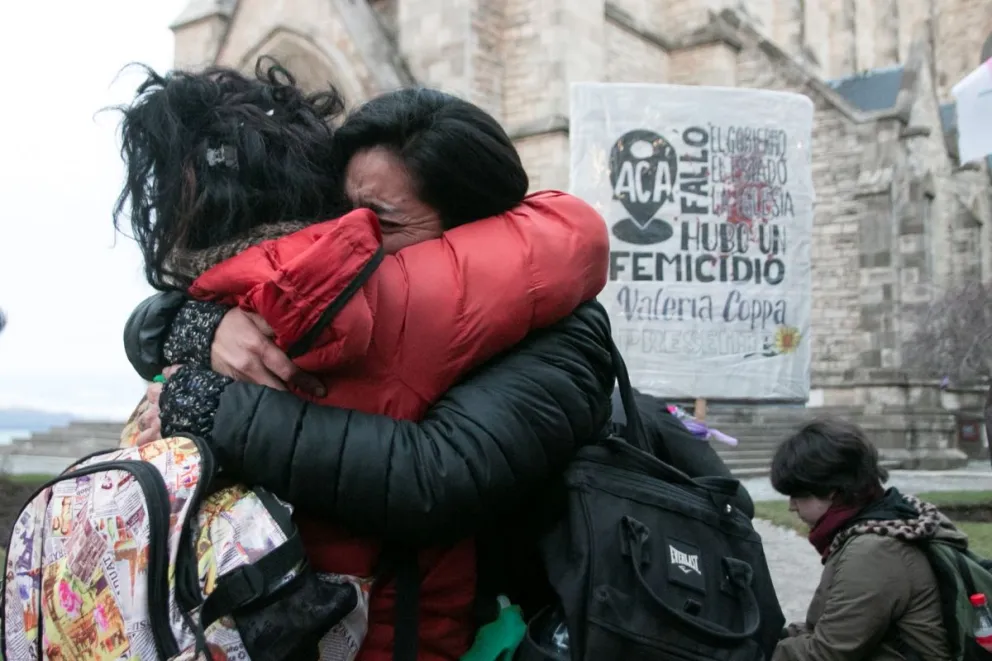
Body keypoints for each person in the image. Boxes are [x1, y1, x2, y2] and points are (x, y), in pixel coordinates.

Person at [116, 62, 613, 661]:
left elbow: (437, 478)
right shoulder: (356, 302)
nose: (347, 241)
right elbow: (216, 294)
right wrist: (191, 322)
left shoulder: (566, 334)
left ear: (473, 229)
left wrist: (211, 405)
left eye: (384, 222)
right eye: (339, 212)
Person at [770, 418, 962, 661]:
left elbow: (826, 654)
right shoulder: (881, 525)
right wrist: (774, 636)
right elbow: (833, 624)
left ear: (831, 489)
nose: (791, 507)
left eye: (798, 495)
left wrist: (754, 652)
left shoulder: (873, 551)